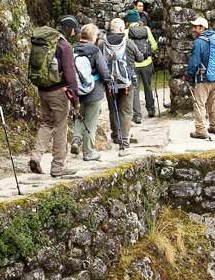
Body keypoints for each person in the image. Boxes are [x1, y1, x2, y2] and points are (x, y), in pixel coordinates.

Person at [28, 20, 79, 177]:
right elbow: (70, 75)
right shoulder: (64, 46)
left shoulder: (44, 42)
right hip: (58, 92)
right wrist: (75, 100)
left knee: (47, 123)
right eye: (73, 30)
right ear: (69, 29)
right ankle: (57, 167)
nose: (74, 33)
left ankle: (36, 156)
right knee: (61, 128)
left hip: (42, 90)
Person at [185, 17, 215, 139]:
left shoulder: (199, 42)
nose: (193, 30)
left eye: (196, 27)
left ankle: (201, 130)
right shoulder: (214, 40)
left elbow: (194, 62)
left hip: (203, 79)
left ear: (202, 28)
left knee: (199, 104)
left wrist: (188, 75)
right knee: (214, 104)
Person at [70, 24, 112, 161]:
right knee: (91, 122)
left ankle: (76, 140)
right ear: (93, 37)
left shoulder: (73, 49)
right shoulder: (94, 50)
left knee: (79, 117)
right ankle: (88, 152)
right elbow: (104, 71)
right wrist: (108, 81)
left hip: (78, 91)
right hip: (94, 91)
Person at [101, 18, 144, 147]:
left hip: (110, 82)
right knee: (125, 111)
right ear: (121, 29)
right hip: (126, 82)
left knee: (113, 109)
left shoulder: (102, 43)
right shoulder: (128, 42)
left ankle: (116, 135)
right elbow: (140, 57)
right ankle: (124, 140)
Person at [126, 9, 158, 123]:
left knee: (134, 89)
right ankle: (151, 110)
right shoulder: (146, 29)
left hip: (133, 64)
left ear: (128, 21)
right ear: (138, 19)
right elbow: (154, 46)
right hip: (147, 63)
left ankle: (137, 115)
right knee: (148, 87)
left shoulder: (126, 32)